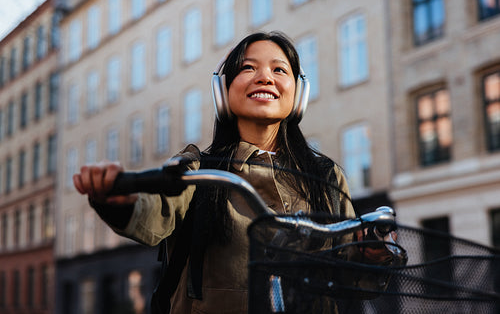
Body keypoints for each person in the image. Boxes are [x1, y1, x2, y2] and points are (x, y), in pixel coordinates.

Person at [73, 31, 388, 314]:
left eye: (279, 70)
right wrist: (118, 200)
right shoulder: (198, 169)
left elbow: (351, 280)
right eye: (248, 68)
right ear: (222, 92)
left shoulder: (327, 177)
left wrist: (372, 256)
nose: (265, 77)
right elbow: (153, 214)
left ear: (299, 94)